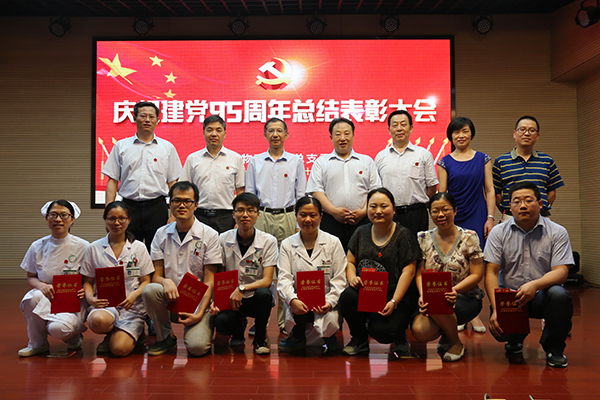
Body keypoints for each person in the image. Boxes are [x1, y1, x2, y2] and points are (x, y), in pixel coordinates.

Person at [484, 182, 574, 368]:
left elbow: (561, 272)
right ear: (510, 207)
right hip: (511, 297)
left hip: (542, 295)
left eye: (528, 200)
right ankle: (515, 338)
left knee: (559, 295)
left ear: (540, 204)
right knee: (502, 332)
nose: (522, 206)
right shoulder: (498, 232)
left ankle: (554, 349)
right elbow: (491, 272)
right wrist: (496, 308)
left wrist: (535, 285)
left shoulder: (557, 232)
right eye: (517, 201)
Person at [142, 181, 220, 357]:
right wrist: (165, 281)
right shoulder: (161, 234)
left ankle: (203, 323)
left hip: (198, 302)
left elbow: (209, 281)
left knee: (197, 348)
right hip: (169, 299)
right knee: (150, 289)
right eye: (177, 201)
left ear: (196, 205)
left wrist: (199, 314)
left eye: (187, 201)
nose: (182, 205)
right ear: (170, 204)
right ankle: (165, 337)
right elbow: (156, 276)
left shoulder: (210, 235)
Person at [339, 188, 420, 356]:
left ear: (394, 209)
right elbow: (350, 261)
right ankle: (359, 339)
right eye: (373, 206)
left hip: (395, 296)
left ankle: (400, 336)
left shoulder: (403, 235)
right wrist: (352, 277)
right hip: (367, 293)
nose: (378, 211)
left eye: (384, 206)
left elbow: (409, 271)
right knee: (347, 296)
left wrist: (394, 301)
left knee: (383, 333)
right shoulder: (360, 232)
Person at [246, 117, 307, 335]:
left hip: (288, 216)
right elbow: (250, 195)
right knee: (259, 270)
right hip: (261, 216)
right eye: (270, 130)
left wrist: (299, 224)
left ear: (286, 134)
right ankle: (260, 320)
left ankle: (283, 321)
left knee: (285, 270)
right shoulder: (255, 162)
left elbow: (301, 195)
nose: (275, 134)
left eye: (279, 130)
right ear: (265, 135)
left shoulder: (296, 161)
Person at [411, 192, 485, 362]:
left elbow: (477, 274)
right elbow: (419, 273)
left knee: (439, 302)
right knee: (420, 331)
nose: (440, 214)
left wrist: (454, 290)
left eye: (445, 209)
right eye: (435, 211)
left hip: (464, 298)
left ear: (455, 210)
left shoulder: (469, 237)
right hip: (432, 299)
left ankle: (455, 343)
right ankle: (447, 332)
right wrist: (423, 294)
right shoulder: (422, 238)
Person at [437, 117, 494, 333]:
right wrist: (443, 219)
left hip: (478, 215)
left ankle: (474, 313)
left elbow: (489, 190)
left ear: (471, 133)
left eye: (465, 131)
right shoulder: (444, 162)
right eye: (456, 132)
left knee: (476, 263)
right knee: (456, 265)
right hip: (454, 217)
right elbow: (443, 194)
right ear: (450, 136)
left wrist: (490, 217)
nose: (461, 135)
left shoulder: (483, 159)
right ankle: (461, 310)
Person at [102, 101, 182, 252]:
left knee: (158, 252)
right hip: (128, 207)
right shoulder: (121, 146)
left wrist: (173, 214)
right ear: (134, 118)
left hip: (157, 208)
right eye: (143, 116)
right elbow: (112, 180)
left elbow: (173, 183)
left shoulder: (167, 148)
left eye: (151, 117)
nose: (147, 120)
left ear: (157, 120)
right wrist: (109, 213)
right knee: (128, 251)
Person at [82, 201, 154, 357]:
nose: (117, 223)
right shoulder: (94, 248)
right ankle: (111, 333)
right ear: (105, 220)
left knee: (119, 350)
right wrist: (90, 298)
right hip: (105, 304)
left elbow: (146, 281)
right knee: (97, 321)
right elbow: (88, 281)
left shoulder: (139, 247)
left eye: (122, 218)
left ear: (129, 220)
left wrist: (134, 295)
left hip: (131, 306)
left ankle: (134, 333)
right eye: (112, 218)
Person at [18, 200, 89, 357]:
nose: (58, 219)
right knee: (32, 298)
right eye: (53, 215)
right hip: (47, 295)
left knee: (57, 329)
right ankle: (38, 343)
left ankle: (73, 337)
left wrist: (86, 289)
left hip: (73, 301)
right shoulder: (37, 246)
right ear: (46, 218)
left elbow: (92, 278)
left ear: (72, 219)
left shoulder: (84, 246)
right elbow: (31, 277)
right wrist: (42, 286)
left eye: (64, 215)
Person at [277, 196, 347, 353]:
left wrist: (330, 301)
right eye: (303, 215)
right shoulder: (287, 244)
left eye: (313, 215)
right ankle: (297, 336)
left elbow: (340, 279)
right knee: (296, 309)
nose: (307, 220)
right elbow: (284, 279)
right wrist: (293, 300)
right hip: (298, 304)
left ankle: (329, 336)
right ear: (296, 216)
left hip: (325, 303)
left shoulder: (333, 242)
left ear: (321, 216)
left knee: (329, 320)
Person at [211, 193, 278, 354]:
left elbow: (267, 280)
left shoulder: (268, 241)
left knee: (264, 294)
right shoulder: (223, 239)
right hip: (231, 297)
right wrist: (216, 300)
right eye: (240, 210)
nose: (245, 215)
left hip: (255, 296)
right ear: (233, 214)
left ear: (258, 214)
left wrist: (241, 288)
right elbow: (220, 274)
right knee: (221, 321)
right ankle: (238, 332)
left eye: (250, 210)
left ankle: (260, 339)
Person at [306, 117, 381, 252]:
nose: (342, 138)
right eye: (338, 134)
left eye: (347, 133)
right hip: (331, 221)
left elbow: (375, 190)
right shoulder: (321, 162)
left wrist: (364, 211)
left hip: (363, 220)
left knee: (363, 257)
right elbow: (316, 191)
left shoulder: (367, 161)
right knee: (331, 258)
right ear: (331, 137)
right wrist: (334, 212)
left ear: (353, 135)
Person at [375, 110, 438, 237]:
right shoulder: (380, 157)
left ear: (411, 128)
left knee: (416, 248)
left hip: (416, 214)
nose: (399, 128)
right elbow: (377, 188)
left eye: (403, 124)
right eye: (395, 125)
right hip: (389, 214)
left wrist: (418, 204)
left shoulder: (424, 154)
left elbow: (431, 186)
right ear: (389, 130)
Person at [180, 115, 245, 234]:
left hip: (226, 217)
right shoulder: (193, 159)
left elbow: (241, 191)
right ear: (203, 133)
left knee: (225, 246)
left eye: (218, 130)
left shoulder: (235, 158)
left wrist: (239, 219)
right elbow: (184, 190)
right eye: (209, 130)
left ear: (225, 133)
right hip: (198, 215)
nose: (214, 134)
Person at [493, 116, 564, 221]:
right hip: (510, 217)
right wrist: (511, 210)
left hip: (541, 217)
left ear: (537, 136)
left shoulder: (547, 160)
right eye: (522, 129)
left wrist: (537, 209)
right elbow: (496, 194)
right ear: (514, 134)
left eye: (532, 130)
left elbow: (552, 193)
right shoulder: (501, 161)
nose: (526, 133)